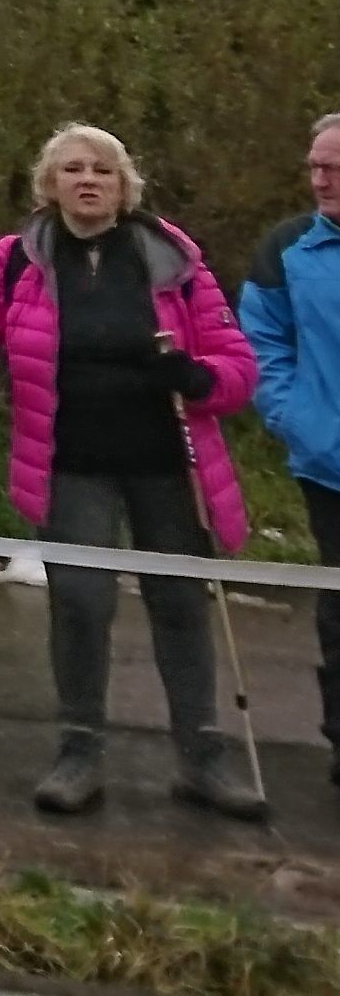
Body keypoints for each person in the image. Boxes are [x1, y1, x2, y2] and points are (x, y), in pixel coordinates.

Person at [0, 121, 265, 820]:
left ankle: (202, 756)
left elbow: (238, 365)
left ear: (125, 187)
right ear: (48, 184)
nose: (87, 180)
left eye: (102, 170)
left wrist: (196, 373)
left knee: (180, 604)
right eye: (72, 170)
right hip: (70, 460)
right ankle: (80, 750)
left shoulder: (168, 254)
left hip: (164, 459)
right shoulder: (17, 259)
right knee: (82, 603)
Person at [243, 111, 340, 795]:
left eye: (333, 166)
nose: (320, 178)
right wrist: (297, 421)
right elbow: (263, 346)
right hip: (330, 462)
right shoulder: (287, 246)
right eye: (314, 165)